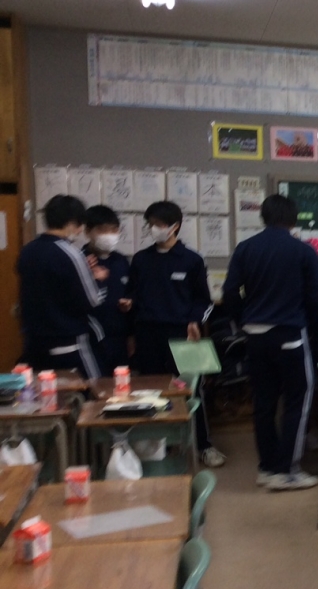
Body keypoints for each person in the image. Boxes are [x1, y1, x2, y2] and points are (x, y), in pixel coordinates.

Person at [223, 194, 318, 490]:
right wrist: (307, 322)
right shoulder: (303, 251)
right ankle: (287, 470)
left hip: (254, 334)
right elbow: (315, 296)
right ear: (293, 219)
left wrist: (243, 319)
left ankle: (267, 467)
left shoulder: (246, 248)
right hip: (290, 332)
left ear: (263, 217)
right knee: (298, 398)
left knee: (263, 402)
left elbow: (230, 292)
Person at [125, 201, 224, 467]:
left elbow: (204, 301)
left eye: (159, 224)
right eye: (151, 225)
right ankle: (159, 446)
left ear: (174, 227)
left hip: (183, 334)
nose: (154, 229)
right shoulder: (141, 259)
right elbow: (132, 295)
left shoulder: (192, 260)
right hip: (148, 334)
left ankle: (204, 445)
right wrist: (128, 310)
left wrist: (195, 320)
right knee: (151, 391)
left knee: (193, 390)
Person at [17, 195, 107, 379]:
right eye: (80, 225)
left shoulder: (27, 251)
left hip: (35, 341)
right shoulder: (71, 253)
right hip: (69, 341)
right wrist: (98, 279)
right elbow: (93, 299)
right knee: (94, 388)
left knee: (45, 391)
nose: (80, 231)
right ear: (72, 223)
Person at [83, 205, 131, 375]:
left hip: (119, 337)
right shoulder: (80, 260)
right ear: (88, 231)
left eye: (114, 230)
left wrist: (129, 302)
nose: (109, 235)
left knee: (121, 383)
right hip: (90, 338)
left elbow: (130, 291)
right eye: (103, 230)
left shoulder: (121, 261)